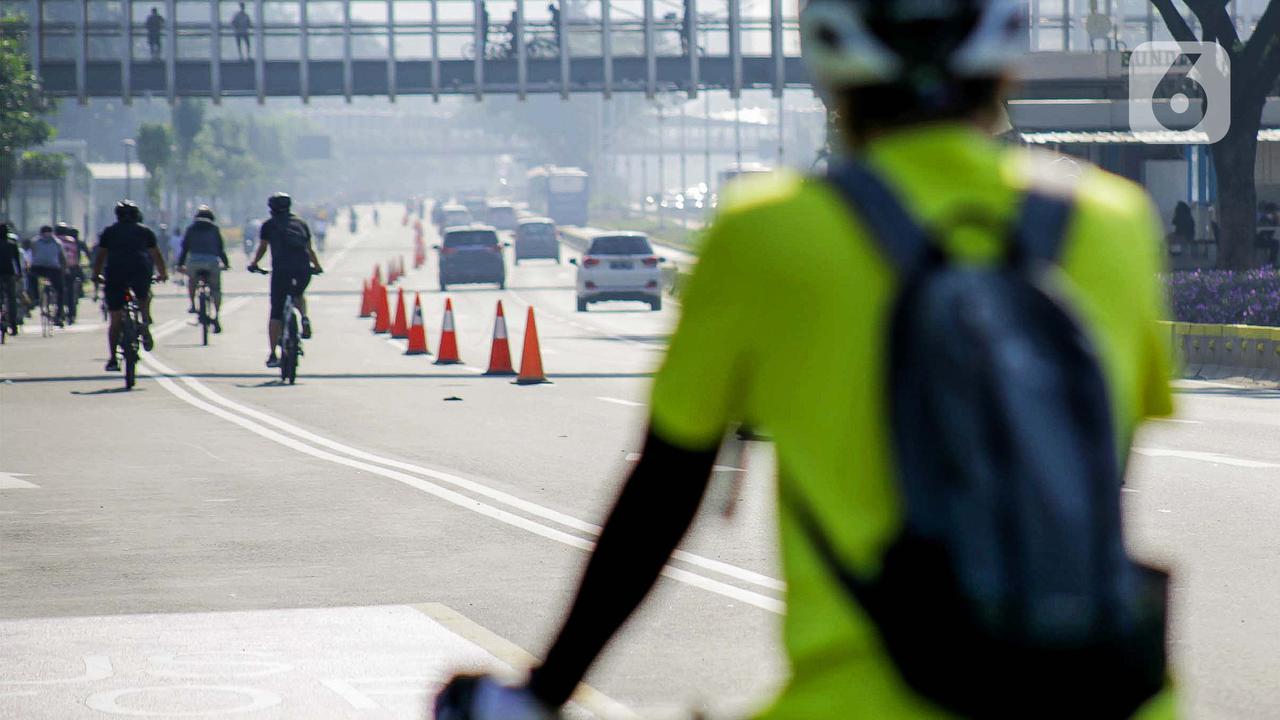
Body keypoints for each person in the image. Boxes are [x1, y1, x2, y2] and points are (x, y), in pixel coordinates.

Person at [433, 0, 1177, 718]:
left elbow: (663, 494)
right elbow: (1092, 476)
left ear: (829, 61)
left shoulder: (769, 232)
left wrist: (541, 693)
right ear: (1007, 60)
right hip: (1103, 693)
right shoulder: (1113, 224)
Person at [248, 192, 323, 368]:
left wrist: (254, 264)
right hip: (302, 270)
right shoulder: (301, 223)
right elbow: (309, 250)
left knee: (276, 312)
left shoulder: (269, 225)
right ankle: (303, 317)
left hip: (281, 271)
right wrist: (317, 267)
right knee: (298, 293)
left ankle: (273, 354)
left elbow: (263, 248)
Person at [93, 201, 167, 371]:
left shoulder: (109, 232)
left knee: (115, 319)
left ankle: (113, 358)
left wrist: (96, 275)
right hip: (139, 272)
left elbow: (101, 256)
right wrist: (162, 274)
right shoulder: (145, 231)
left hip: (115, 274)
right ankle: (145, 323)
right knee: (144, 296)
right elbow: (156, 255)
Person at [177, 205, 230, 332]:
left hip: (194, 262)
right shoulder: (214, 229)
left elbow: (185, 248)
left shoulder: (191, 229)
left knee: (191, 282)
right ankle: (216, 316)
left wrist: (180, 264)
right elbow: (220, 249)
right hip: (212, 262)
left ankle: (193, 305)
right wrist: (226, 263)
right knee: (216, 289)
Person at [26, 225, 67, 325]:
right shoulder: (57, 242)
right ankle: (59, 315)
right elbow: (62, 258)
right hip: (53, 269)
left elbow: (31, 254)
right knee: (60, 290)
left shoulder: (35, 241)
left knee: (31, 278)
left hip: (38, 268)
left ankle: (35, 297)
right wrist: (64, 270)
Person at [0, 223, 22, 335]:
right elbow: (17, 261)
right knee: (11, 298)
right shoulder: (12, 244)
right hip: (9, 273)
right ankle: (13, 325)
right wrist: (19, 274)